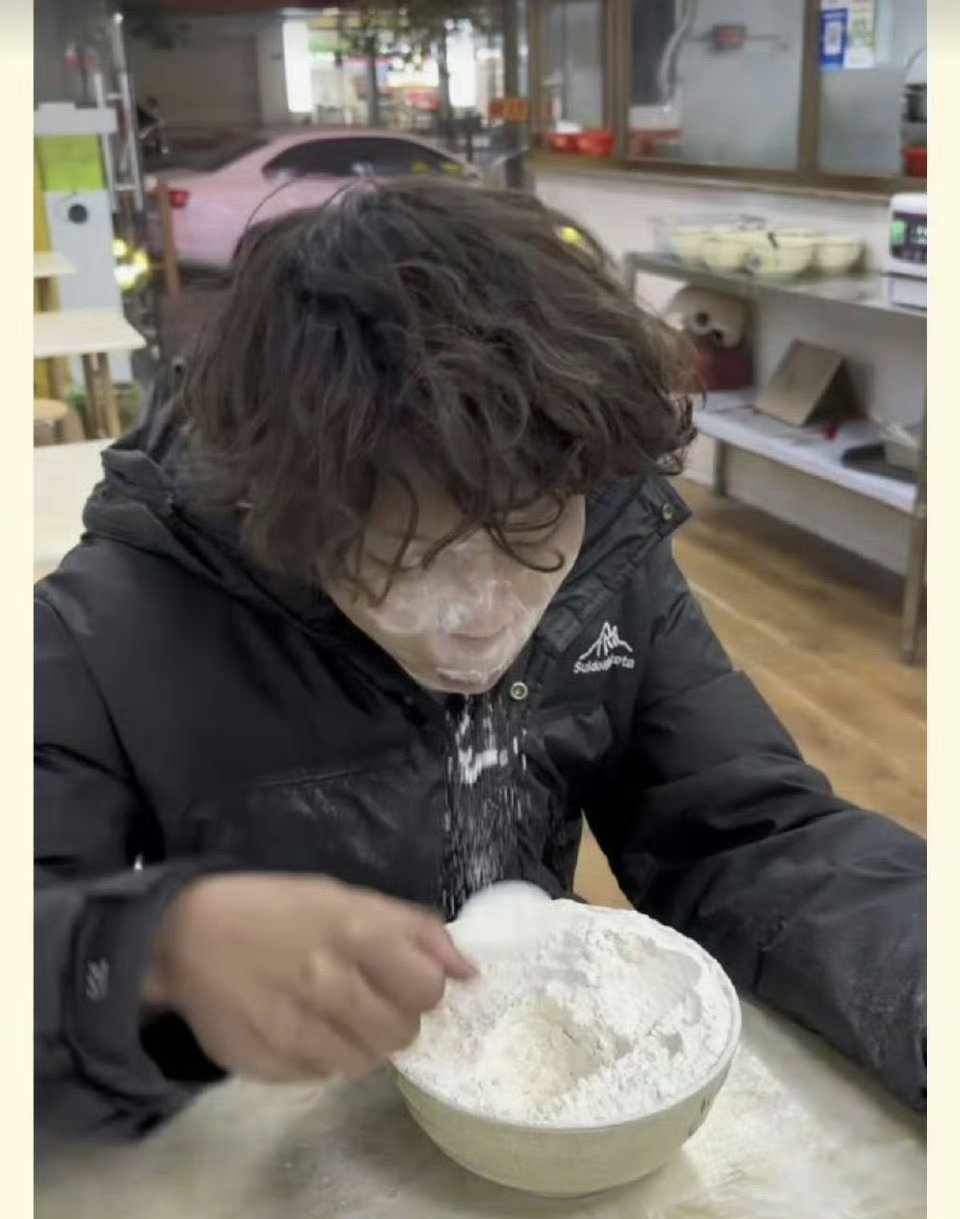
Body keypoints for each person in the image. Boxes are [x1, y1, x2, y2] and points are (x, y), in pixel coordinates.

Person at [35, 180, 925, 1141]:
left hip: (535, 1105)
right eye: (411, 559)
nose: (489, 616)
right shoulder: (109, 628)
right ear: (276, 515)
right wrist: (151, 953)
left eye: (533, 534)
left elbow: (746, 830)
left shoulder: (603, 551)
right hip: (270, 1145)